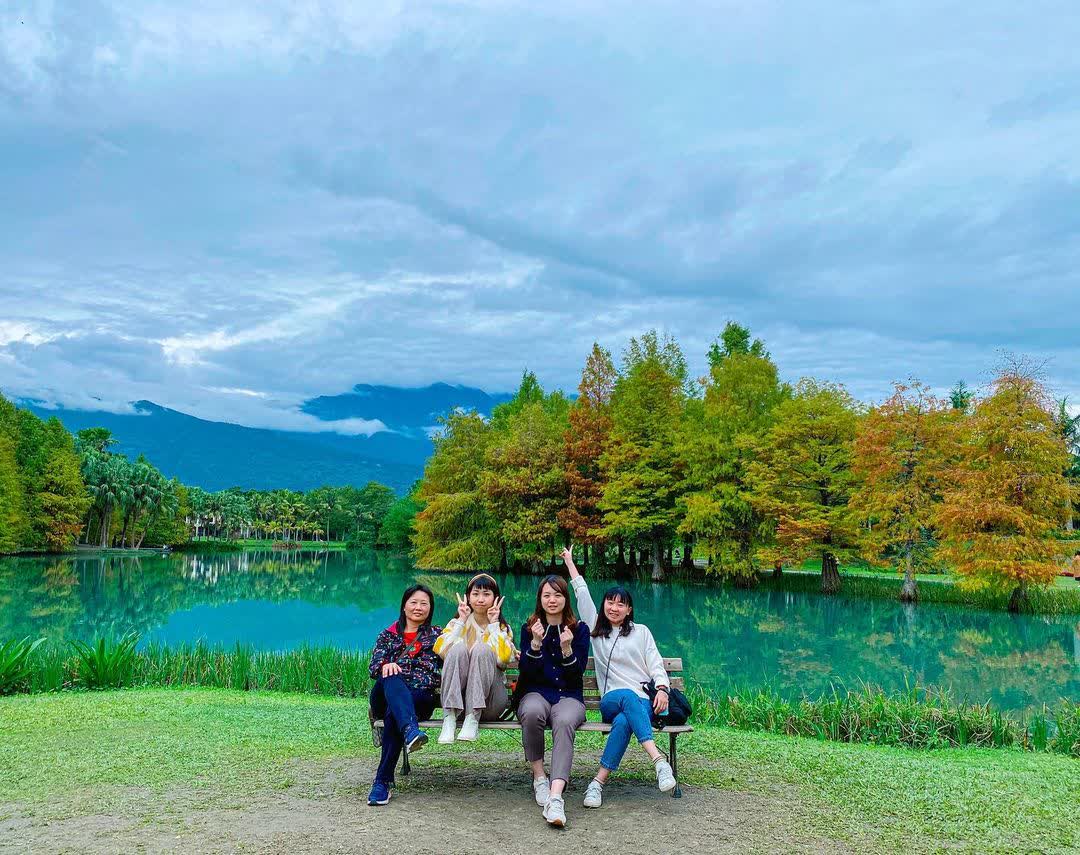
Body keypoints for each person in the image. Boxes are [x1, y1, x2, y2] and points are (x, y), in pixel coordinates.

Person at [562, 547, 677, 807]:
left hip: (642, 703)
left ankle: (596, 784)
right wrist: (570, 562)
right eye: (610, 602)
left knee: (626, 721)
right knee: (625, 698)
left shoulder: (641, 632)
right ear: (604, 605)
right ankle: (659, 761)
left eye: (620, 604)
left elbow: (656, 664)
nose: (614, 608)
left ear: (629, 609)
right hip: (611, 700)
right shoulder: (595, 628)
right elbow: (581, 593)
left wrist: (662, 688)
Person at [516, 573, 591, 828]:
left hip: (569, 696)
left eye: (557, 594)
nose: (552, 600)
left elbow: (576, 673)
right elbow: (526, 672)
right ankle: (539, 777)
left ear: (565, 599)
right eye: (546, 595)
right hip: (536, 692)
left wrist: (567, 649)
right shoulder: (529, 628)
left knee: (565, 720)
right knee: (532, 711)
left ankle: (556, 796)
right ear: (540, 599)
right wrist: (536, 644)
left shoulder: (579, 630)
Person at [366, 584, 443, 806]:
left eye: (424, 603)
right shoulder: (388, 635)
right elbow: (374, 668)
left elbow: (455, 652)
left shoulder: (437, 635)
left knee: (394, 715)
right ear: (404, 605)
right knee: (389, 674)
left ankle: (382, 783)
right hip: (385, 694)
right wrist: (386, 666)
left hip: (419, 698)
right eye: (414, 602)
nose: (418, 607)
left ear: (430, 608)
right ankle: (410, 731)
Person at [433, 573, 515, 743]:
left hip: (490, 702)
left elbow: (503, 659)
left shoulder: (501, 628)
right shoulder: (457, 624)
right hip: (459, 702)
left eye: (486, 594)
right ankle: (449, 718)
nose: (480, 599)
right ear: (468, 597)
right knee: (458, 649)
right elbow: (441, 651)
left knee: (482, 649)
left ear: (495, 598)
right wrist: (461, 621)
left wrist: (493, 625)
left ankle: (473, 717)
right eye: (476, 594)